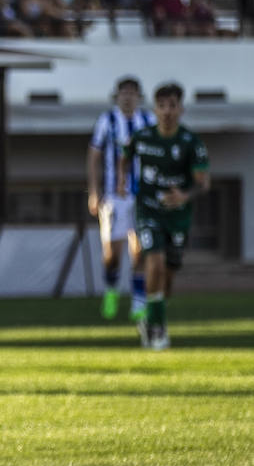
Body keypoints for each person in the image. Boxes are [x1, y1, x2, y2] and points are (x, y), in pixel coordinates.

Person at [123, 83, 210, 351]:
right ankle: (157, 329)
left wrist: (184, 195)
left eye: (173, 105)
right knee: (155, 260)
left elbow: (202, 183)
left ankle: (154, 315)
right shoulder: (142, 138)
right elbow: (124, 157)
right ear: (155, 109)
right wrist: (120, 183)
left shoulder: (191, 143)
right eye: (162, 106)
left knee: (169, 274)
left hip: (178, 216)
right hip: (148, 208)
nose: (167, 111)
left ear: (181, 109)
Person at [87, 76, 157, 323]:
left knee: (139, 250)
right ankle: (111, 289)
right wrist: (94, 191)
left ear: (139, 96)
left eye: (133, 92)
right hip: (113, 196)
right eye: (124, 92)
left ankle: (138, 300)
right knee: (112, 253)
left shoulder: (148, 121)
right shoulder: (107, 121)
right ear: (117, 96)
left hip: (141, 196)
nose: (128, 97)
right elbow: (94, 156)